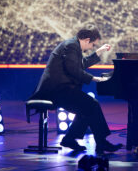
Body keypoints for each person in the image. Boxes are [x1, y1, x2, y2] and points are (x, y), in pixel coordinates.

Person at [30, 22, 122, 153]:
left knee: (87, 108)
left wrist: (98, 53)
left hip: (61, 89)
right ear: (87, 40)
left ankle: (72, 139)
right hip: (55, 91)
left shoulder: (73, 45)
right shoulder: (71, 46)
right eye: (93, 45)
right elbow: (73, 69)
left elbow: (80, 64)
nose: (91, 47)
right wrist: (94, 78)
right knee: (92, 105)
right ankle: (100, 142)